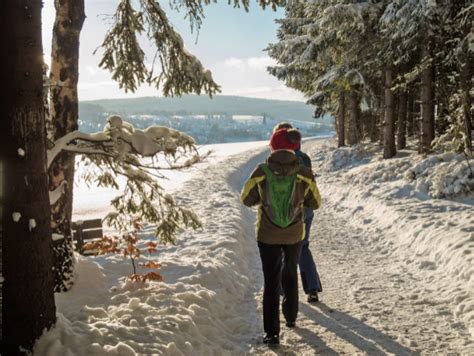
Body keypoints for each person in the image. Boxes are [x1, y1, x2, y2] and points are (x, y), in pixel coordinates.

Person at [241, 128, 321, 346]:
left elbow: (246, 199)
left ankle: (272, 333)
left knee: (271, 281)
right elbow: (316, 203)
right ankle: (292, 317)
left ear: (273, 146)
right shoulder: (303, 172)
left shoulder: (261, 170)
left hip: (267, 234)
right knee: (290, 273)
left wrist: (264, 197)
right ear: (294, 147)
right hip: (295, 233)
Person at [273, 123, 323, 303]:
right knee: (302, 246)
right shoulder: (305, 158)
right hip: (306, 210)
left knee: (281, 249)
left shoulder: (275, 161)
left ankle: (282, 289)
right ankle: (312, 288)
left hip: (286, 212)